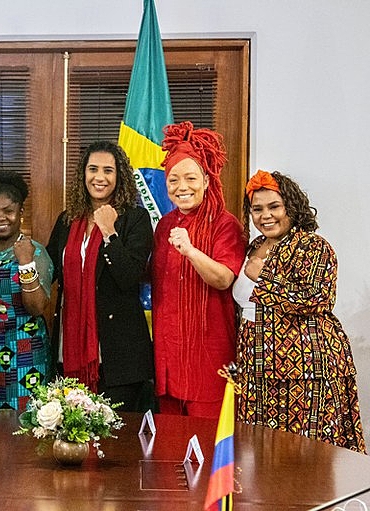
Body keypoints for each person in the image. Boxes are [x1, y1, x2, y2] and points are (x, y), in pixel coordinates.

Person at [233, 169, 365, 452]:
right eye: (257, 209)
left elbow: (317, 298)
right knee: (261, 453)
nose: (266, 216)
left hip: (304, 370)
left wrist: (264, 277)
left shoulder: (313, 246)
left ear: (291, 207)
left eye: (274, 206)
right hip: (257, 369)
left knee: (305, 455)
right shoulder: (254, 246)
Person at [46, 140, 154, 411]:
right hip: (70, 349)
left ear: (120, 176)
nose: (99, 177)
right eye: (93, 169)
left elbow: (130, 276)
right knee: (73, 430)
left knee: (118, 434)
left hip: (119, 356)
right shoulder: (67, 220)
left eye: (108, 170)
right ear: (83, 174)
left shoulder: (135, 218)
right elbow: (49, 271)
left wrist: (109, 232)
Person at [151, 121, 246, 418]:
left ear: (206, 180)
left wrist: (191, 251)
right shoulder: (165, 225)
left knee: (208, 441)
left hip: (208, 361)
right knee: (169, 442)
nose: (182, 187)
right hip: (168, 358)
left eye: (191, 178)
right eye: (173, 180)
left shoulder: (225, 224)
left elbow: (224, 278)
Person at [0, 171, 53, 411]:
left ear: (21, 212)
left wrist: (25, 263)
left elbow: (37, 307)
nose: (0, 218)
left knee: (25, 423)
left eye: (8, 211)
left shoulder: (35, 251)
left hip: (26, 355)